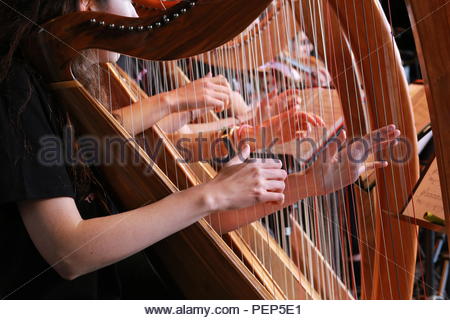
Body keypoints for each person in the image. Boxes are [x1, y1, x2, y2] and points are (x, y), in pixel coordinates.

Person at [0, 0, 400, 299]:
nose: (140, 15)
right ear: (84, 4)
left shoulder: (74, 83)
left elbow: (166, 223)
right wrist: (210, 191)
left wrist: (311, 182)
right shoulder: (17, 87)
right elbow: (69, 252)